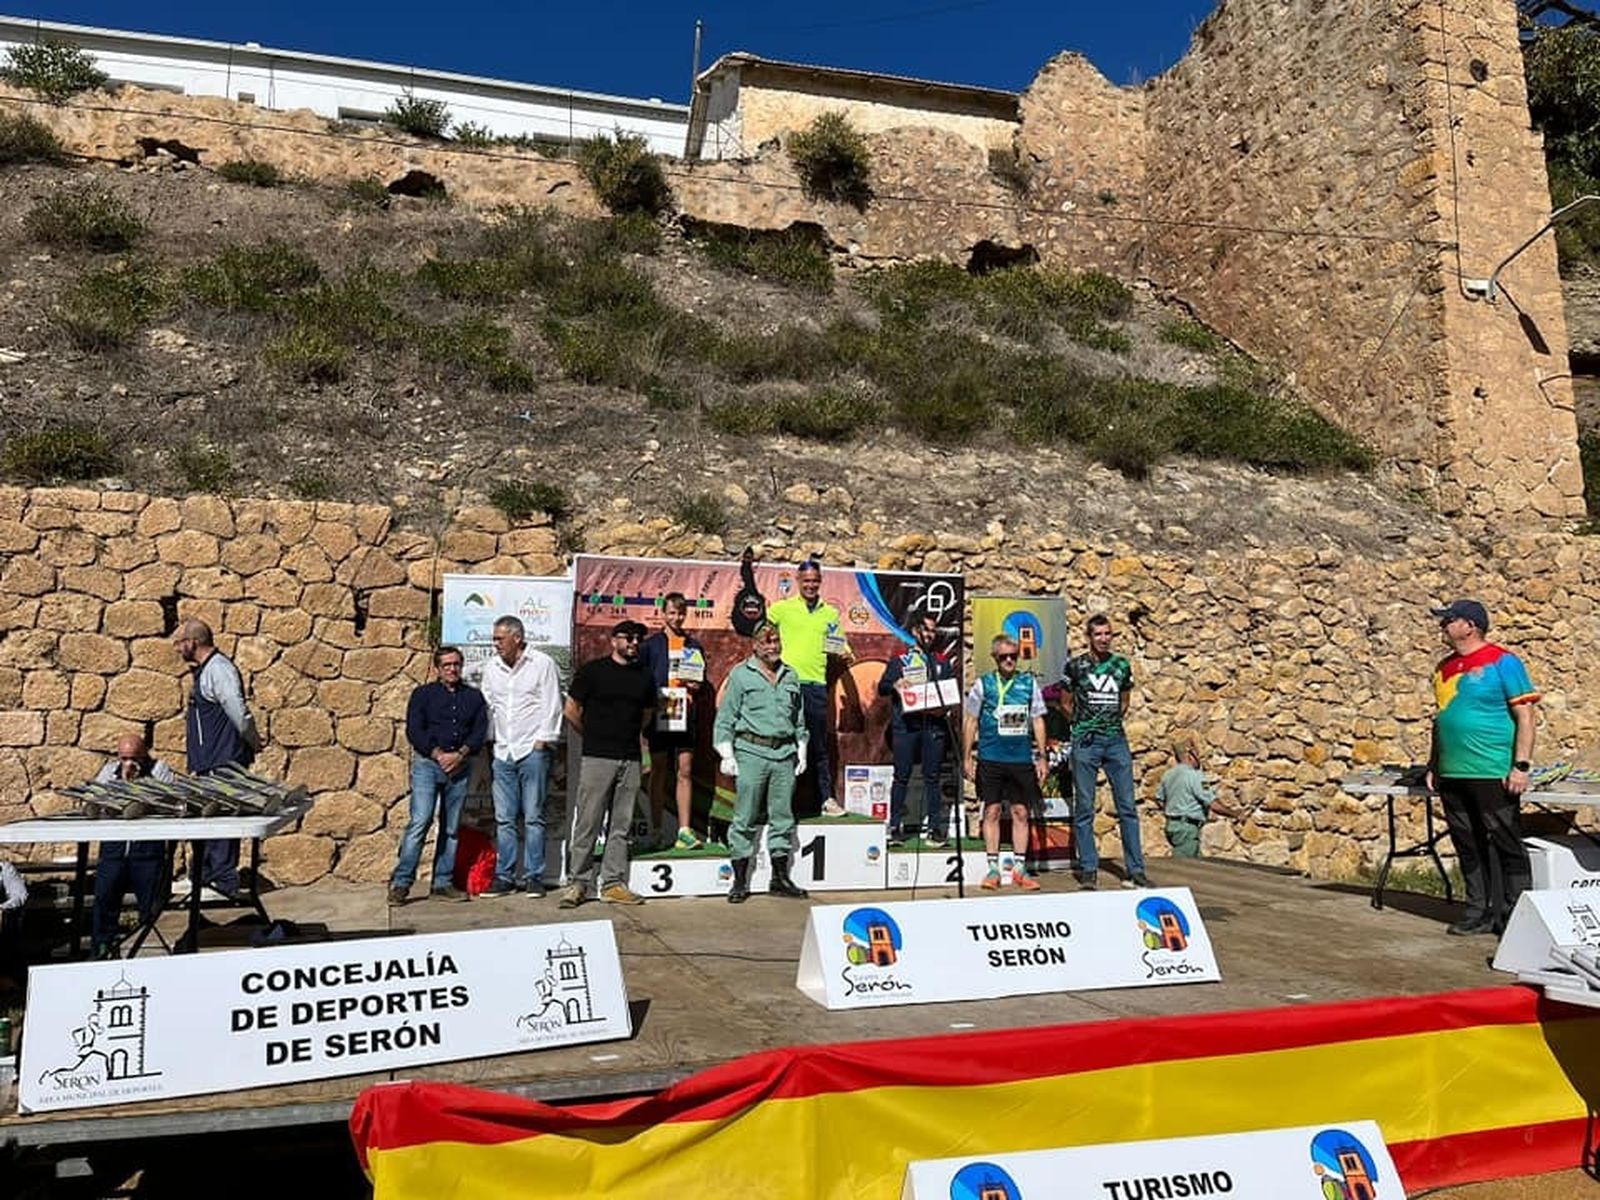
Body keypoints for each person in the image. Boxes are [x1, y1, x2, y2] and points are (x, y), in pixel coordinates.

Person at [1426, 598, 1539, 936]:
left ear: (1469, 626)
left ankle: (1515, 918)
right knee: (1467, 844)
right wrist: (1434, 764)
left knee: (1505, 842)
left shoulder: (1504, 662)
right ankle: (1478, 911)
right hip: (1453, 772)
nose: (1442, 626)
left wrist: (1520, 766)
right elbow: (1441, 719)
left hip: (1492, 771)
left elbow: (1526, 716)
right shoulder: (1443, 667)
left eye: (1449, 620)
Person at [558, 620, 656, 908]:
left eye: (638, 638)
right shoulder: (593, 672)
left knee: (621, 825)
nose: (634, 642)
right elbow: (571, 710)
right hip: (598, 756)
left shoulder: (644, 676)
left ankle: (613, 883)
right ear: (614, 640)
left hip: (631, 757)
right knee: (588, 822)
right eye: (628, 637)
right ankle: (578, 883)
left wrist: (635, 744)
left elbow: (647, 714)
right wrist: (592, 735)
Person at [713, 620, 810, 903]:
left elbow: (799, 719)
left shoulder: (791, 676)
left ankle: (779, 878)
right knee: (744, 817)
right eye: (766, 642)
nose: (772, 646)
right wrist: (727, 754)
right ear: (755, 645)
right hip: (751, 752)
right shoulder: (742, 675)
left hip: (783, 754)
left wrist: (801, 748)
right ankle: (740, 881)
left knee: (782, 817)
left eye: (776, 641)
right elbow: (726, 719)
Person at [389, 646, 488, 907]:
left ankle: (442, 883)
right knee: (419, 823)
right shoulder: (422, 695)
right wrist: (438, 755)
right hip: (428, 766)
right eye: (446, 665)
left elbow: (479, 731)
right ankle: (401, 883)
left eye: (456, 664)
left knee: (451, 828)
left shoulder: (474, 697)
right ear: (437, 669)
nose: (452, 669)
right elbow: (414, 730)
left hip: (460, 767)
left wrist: (460, 755)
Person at [478, 615, 563, 899]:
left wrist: (542, 742)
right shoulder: (492, 667)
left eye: (499, 639)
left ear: (517, 637)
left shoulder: (542, 664)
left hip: (532, 750)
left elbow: (552, 704)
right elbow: (489, 705)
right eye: (494, 639)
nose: (495, 644)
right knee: (504, 818)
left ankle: (533, 876)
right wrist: (491, 742)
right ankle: (504, 877)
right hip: (503, 751)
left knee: (533, 816)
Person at [173, 618, 260, 897]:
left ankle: (223, 882)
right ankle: (208, 877)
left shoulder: (219, 670)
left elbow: (237, 709)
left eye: (179, 642)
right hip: (210, 761)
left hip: (224, 760)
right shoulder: (205, 671)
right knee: (210, 821)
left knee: (222, 821)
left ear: (193, 642)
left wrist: (252, 739)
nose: (177, 648)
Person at [1063, 614, 1147, 890]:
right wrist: (1080, 725)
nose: (1103, 638)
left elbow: (1124, 698)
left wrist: (1109, 721)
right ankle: (1088, 868)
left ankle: (1135, 870)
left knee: (1127, 807)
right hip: (1086, 741)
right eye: (1097, 634)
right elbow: (1065, 701)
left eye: (1107, 634)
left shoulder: (1121, 664)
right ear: (1089, 637)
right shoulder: (1076, 666)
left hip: (1115, 741)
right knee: (1085, 806)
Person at [765, 560, 852, 818]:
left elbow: (841, 645)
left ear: (820, 581)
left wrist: (846, 655)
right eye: (806, 581)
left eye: (815, 581)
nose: (811, 585)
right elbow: (762, 639)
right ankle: (777, 804)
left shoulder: (830, 613)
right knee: (782, 744)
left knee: (818, 746)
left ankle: (826, 799)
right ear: (798, 581)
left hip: (816, 686)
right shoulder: (781, 609)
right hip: (786, 685)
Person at [962, 635, 1046, 891]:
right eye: (1003, 657)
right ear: (995, 658)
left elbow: (1038, 720)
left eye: (1013, 655)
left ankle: (1020, 868)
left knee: (1021, 812)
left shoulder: (1028, 683)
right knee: (992, 811)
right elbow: (970, 721)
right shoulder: (983, 684)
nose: (1009, 660)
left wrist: (1042, 756)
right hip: (991, 758)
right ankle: (993, 869)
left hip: (1020, 758)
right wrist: (967, 757)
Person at [89, 734, 176, 957]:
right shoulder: (110, 771)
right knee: (104, 900)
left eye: (134, 757)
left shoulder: (159, 770)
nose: (129, 762)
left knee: (152, 907)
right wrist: (122, 783)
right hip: (114, 850)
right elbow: (97, 797)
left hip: (146, 851)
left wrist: (139, 784)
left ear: (144, 755)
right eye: (124, 758)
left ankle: (152, 950)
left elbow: (168, 799)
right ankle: (102, 948)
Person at [877, 613, 957, 847]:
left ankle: (935, 828)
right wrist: (895, 684)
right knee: (902, 776)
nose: (930, 635)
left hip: (933, 726)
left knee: (932, 777)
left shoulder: (941, 661)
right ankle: (895, 827)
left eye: (934, 631)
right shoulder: (901, 660)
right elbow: (882, 687)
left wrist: (944, 709)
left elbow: (950, 692)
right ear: (914, 632)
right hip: (906, 726)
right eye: (926, 630)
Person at [641, 593, 710, 850]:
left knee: (685, 771)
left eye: (681, 613)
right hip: (662, 706)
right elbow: (643, 680)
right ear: (663, 613)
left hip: (685, 708)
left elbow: (701, 681)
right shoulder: (650, 646)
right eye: (671, 612)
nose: (676, 618)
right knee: (659, 770)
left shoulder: (694, 645)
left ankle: (684, 830)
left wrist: (696, 685)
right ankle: (656, 830)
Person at [1156, 738, 1219, 859]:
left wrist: (1173, 811)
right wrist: (1235, 813)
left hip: (1173, 826)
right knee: (1183, 867)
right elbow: (1212, 803)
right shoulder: (1195, 775)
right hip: (1187, 829)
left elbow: (1159, 799)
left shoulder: (1168, 775)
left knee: (1198, 867)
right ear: (1190, 755)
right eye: (1197, 753)